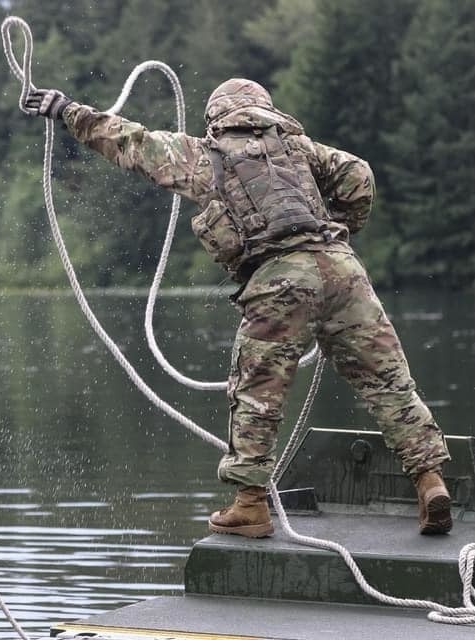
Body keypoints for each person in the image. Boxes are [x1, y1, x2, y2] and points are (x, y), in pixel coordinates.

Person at [25, 78, 452, 537]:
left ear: (216, 118)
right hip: (343, 272)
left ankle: (250, 505)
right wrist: (344, 227)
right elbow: (358, 175)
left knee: (257, 395)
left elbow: (129, 141)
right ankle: (430, 483)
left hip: (279, 279)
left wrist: (66, 110)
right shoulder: (299, 148)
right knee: (389, 385)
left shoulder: (203, 156)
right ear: (265, 110)